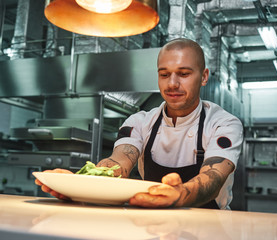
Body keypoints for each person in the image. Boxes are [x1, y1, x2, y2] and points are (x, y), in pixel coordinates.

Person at [36, 38, 243, 209]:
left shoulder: (223, 123)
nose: (172, 83)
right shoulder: (140, 121)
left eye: (184, 74)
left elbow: (213, 178)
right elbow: (118, 163)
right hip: (153, 221)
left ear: (204, 76)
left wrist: (179, 195)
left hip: (210, 226)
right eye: (164, 74)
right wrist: (81, 183)